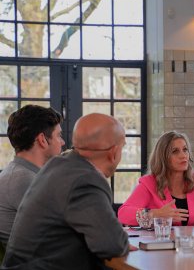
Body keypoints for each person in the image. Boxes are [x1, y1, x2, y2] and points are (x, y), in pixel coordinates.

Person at [2, 113, 132, 269]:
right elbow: (113, 244)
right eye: (122, 147)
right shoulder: (85, 179)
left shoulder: (57, 165)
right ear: (114, 152)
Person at [118, 131, 194, 226]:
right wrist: (155, 214)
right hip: (161, 250)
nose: (183, 155)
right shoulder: (149, 183)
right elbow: (123, 214)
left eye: (185, 150)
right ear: (163, 157)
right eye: (175, 151)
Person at [0, 105, 64, 261]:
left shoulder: (21, 173)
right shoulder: (23, 179)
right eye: (58, 135)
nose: (62, 142)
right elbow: (60, 235)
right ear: (42, 140)